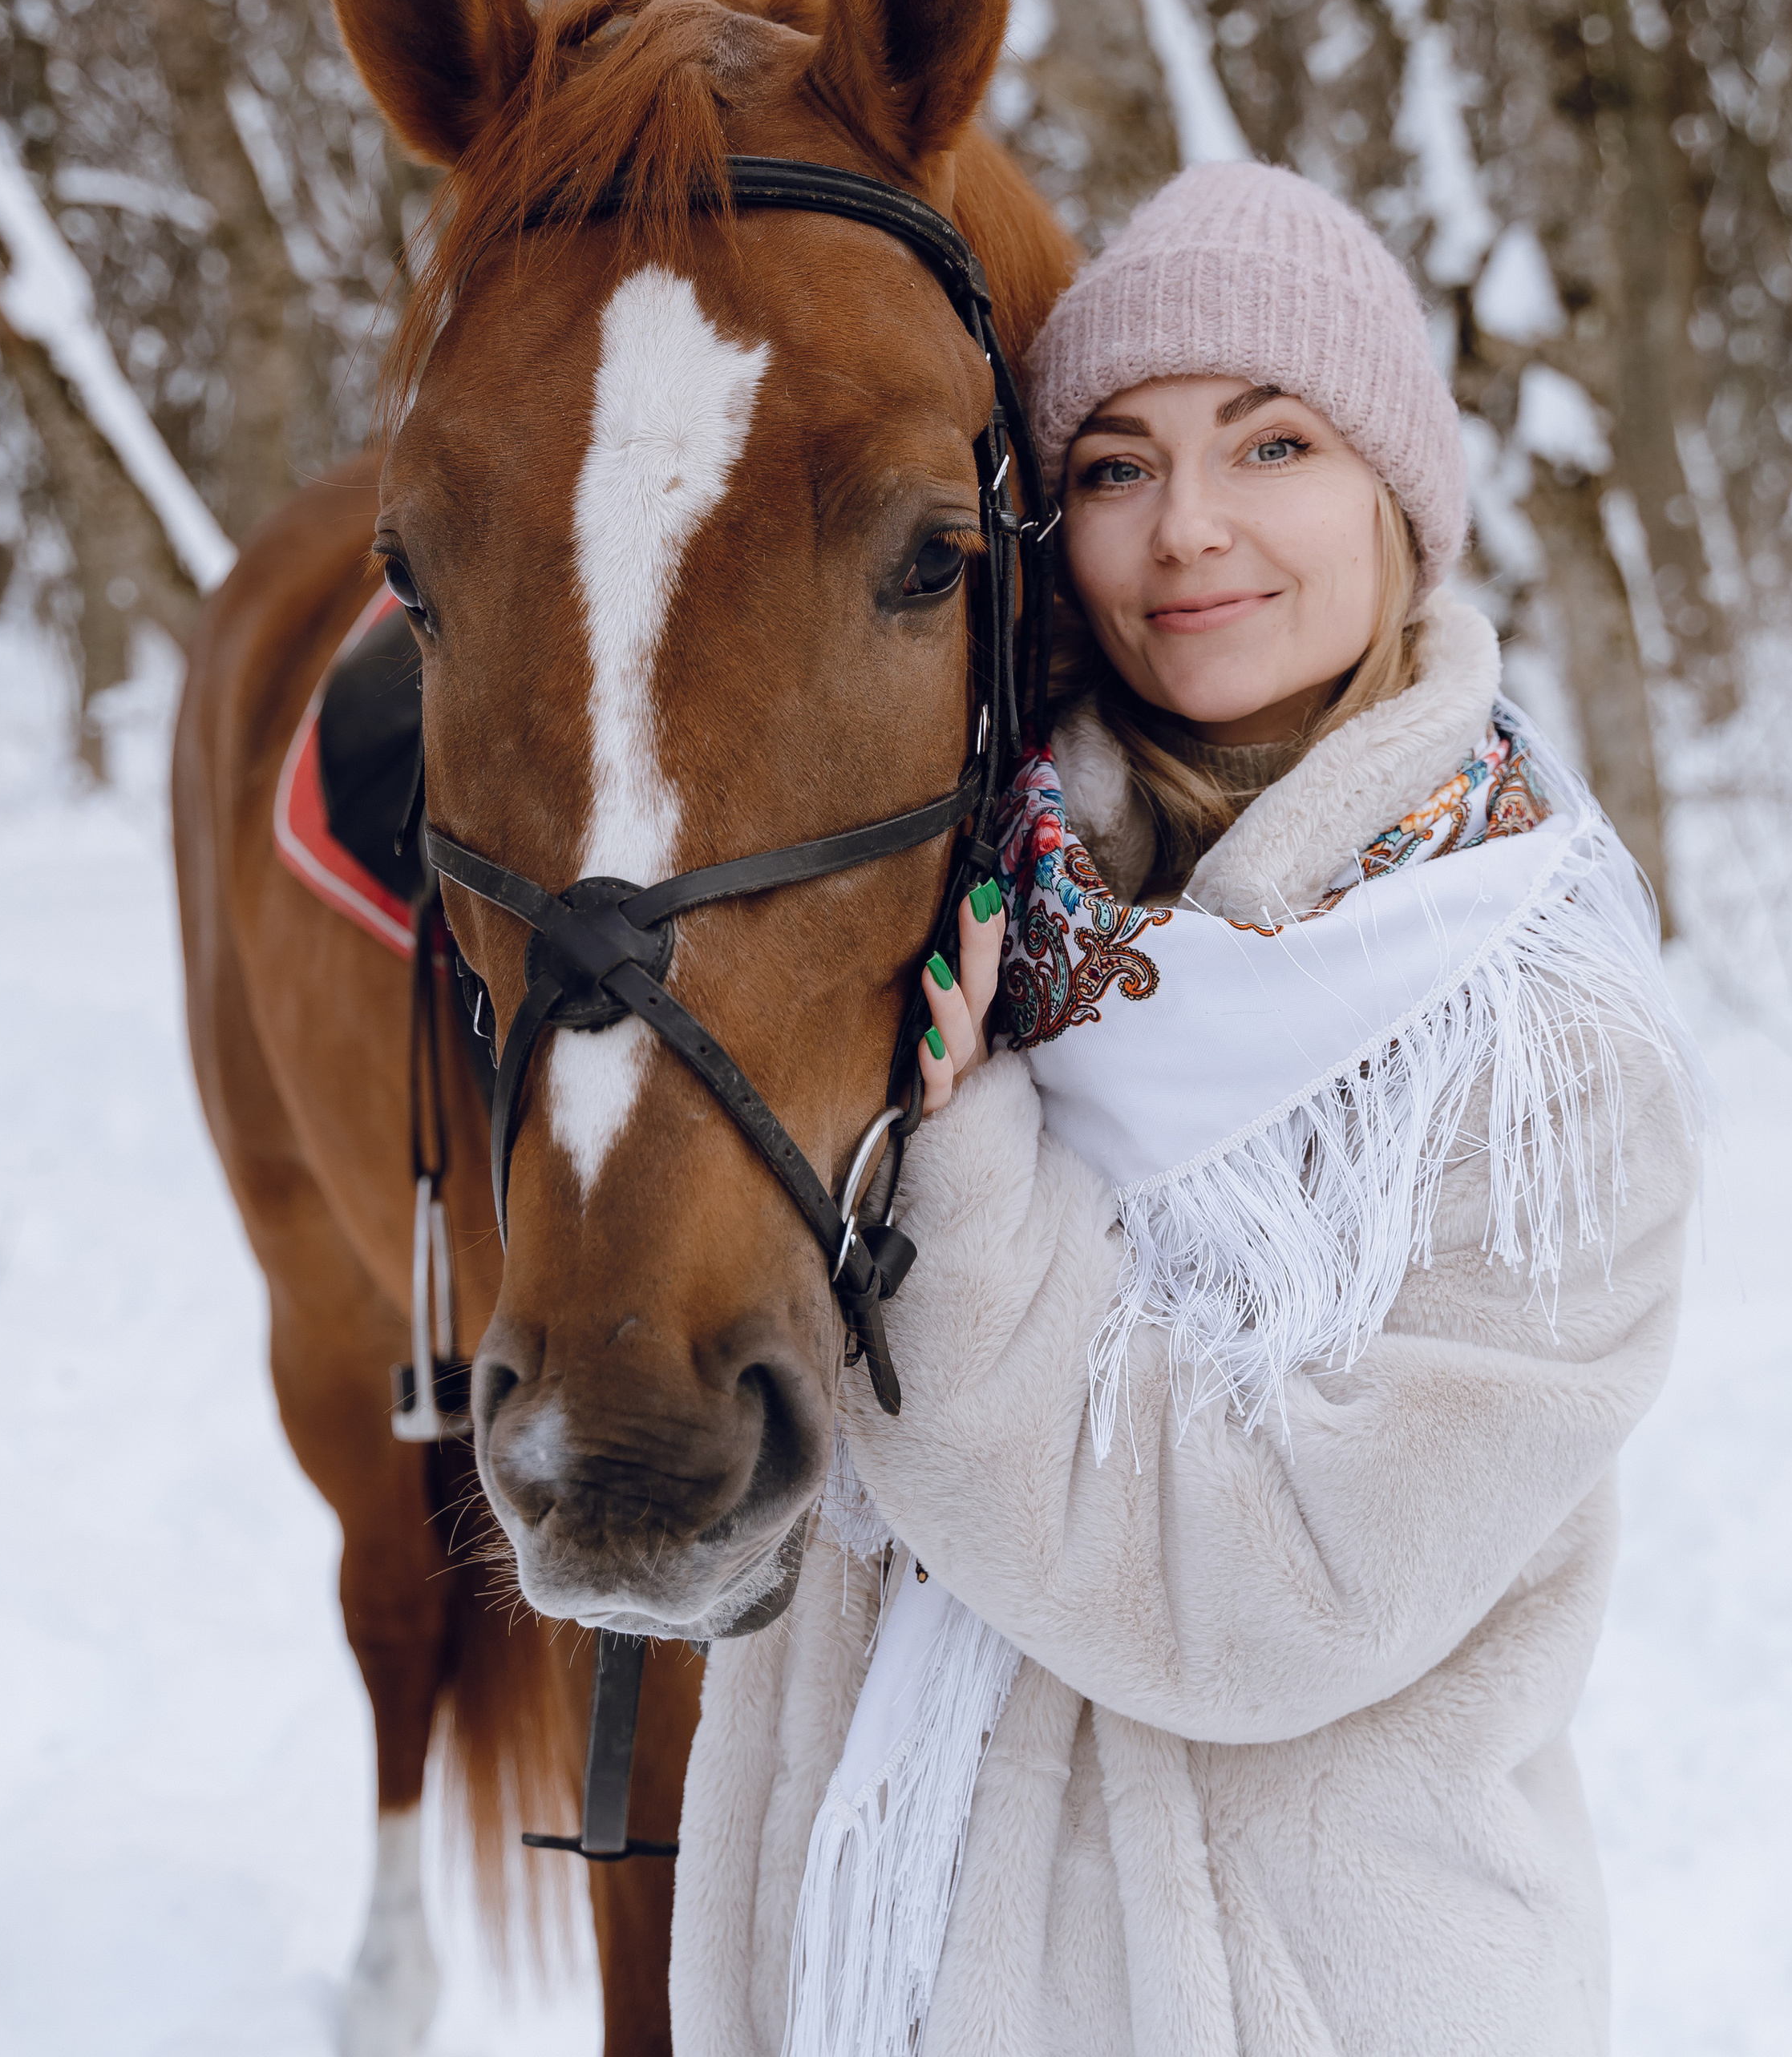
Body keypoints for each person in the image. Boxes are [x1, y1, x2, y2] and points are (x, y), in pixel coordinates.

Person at [672, 162, 1700, 2057]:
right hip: (869, 1980)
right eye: (1117, 467)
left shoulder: (1537, 1037)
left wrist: (960, 1166)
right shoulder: (959, 901)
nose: (1185, 531)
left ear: (1396, 500)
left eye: (1273, 443)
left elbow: (1270, 1596)